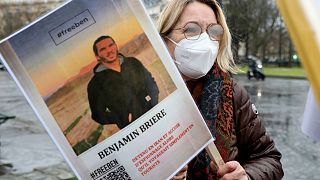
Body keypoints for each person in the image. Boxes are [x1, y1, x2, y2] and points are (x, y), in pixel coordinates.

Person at [157, 0, 283, 179]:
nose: (205, 40)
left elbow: (269, 157)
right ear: (164, 36)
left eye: (214, 31)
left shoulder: (232, 93)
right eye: (191, 30)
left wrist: (247, 177)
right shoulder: (143, 94)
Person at [87, 35, 159, 129]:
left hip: (154, 114)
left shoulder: (133, 63)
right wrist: (121, 118)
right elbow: (97, 115)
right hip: (132, 128)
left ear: (116, 46)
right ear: (97, 56)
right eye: (103, 49)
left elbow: (151, 83)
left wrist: (153, 102)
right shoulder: (95, 84)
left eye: (110, 45)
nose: (109, 50)